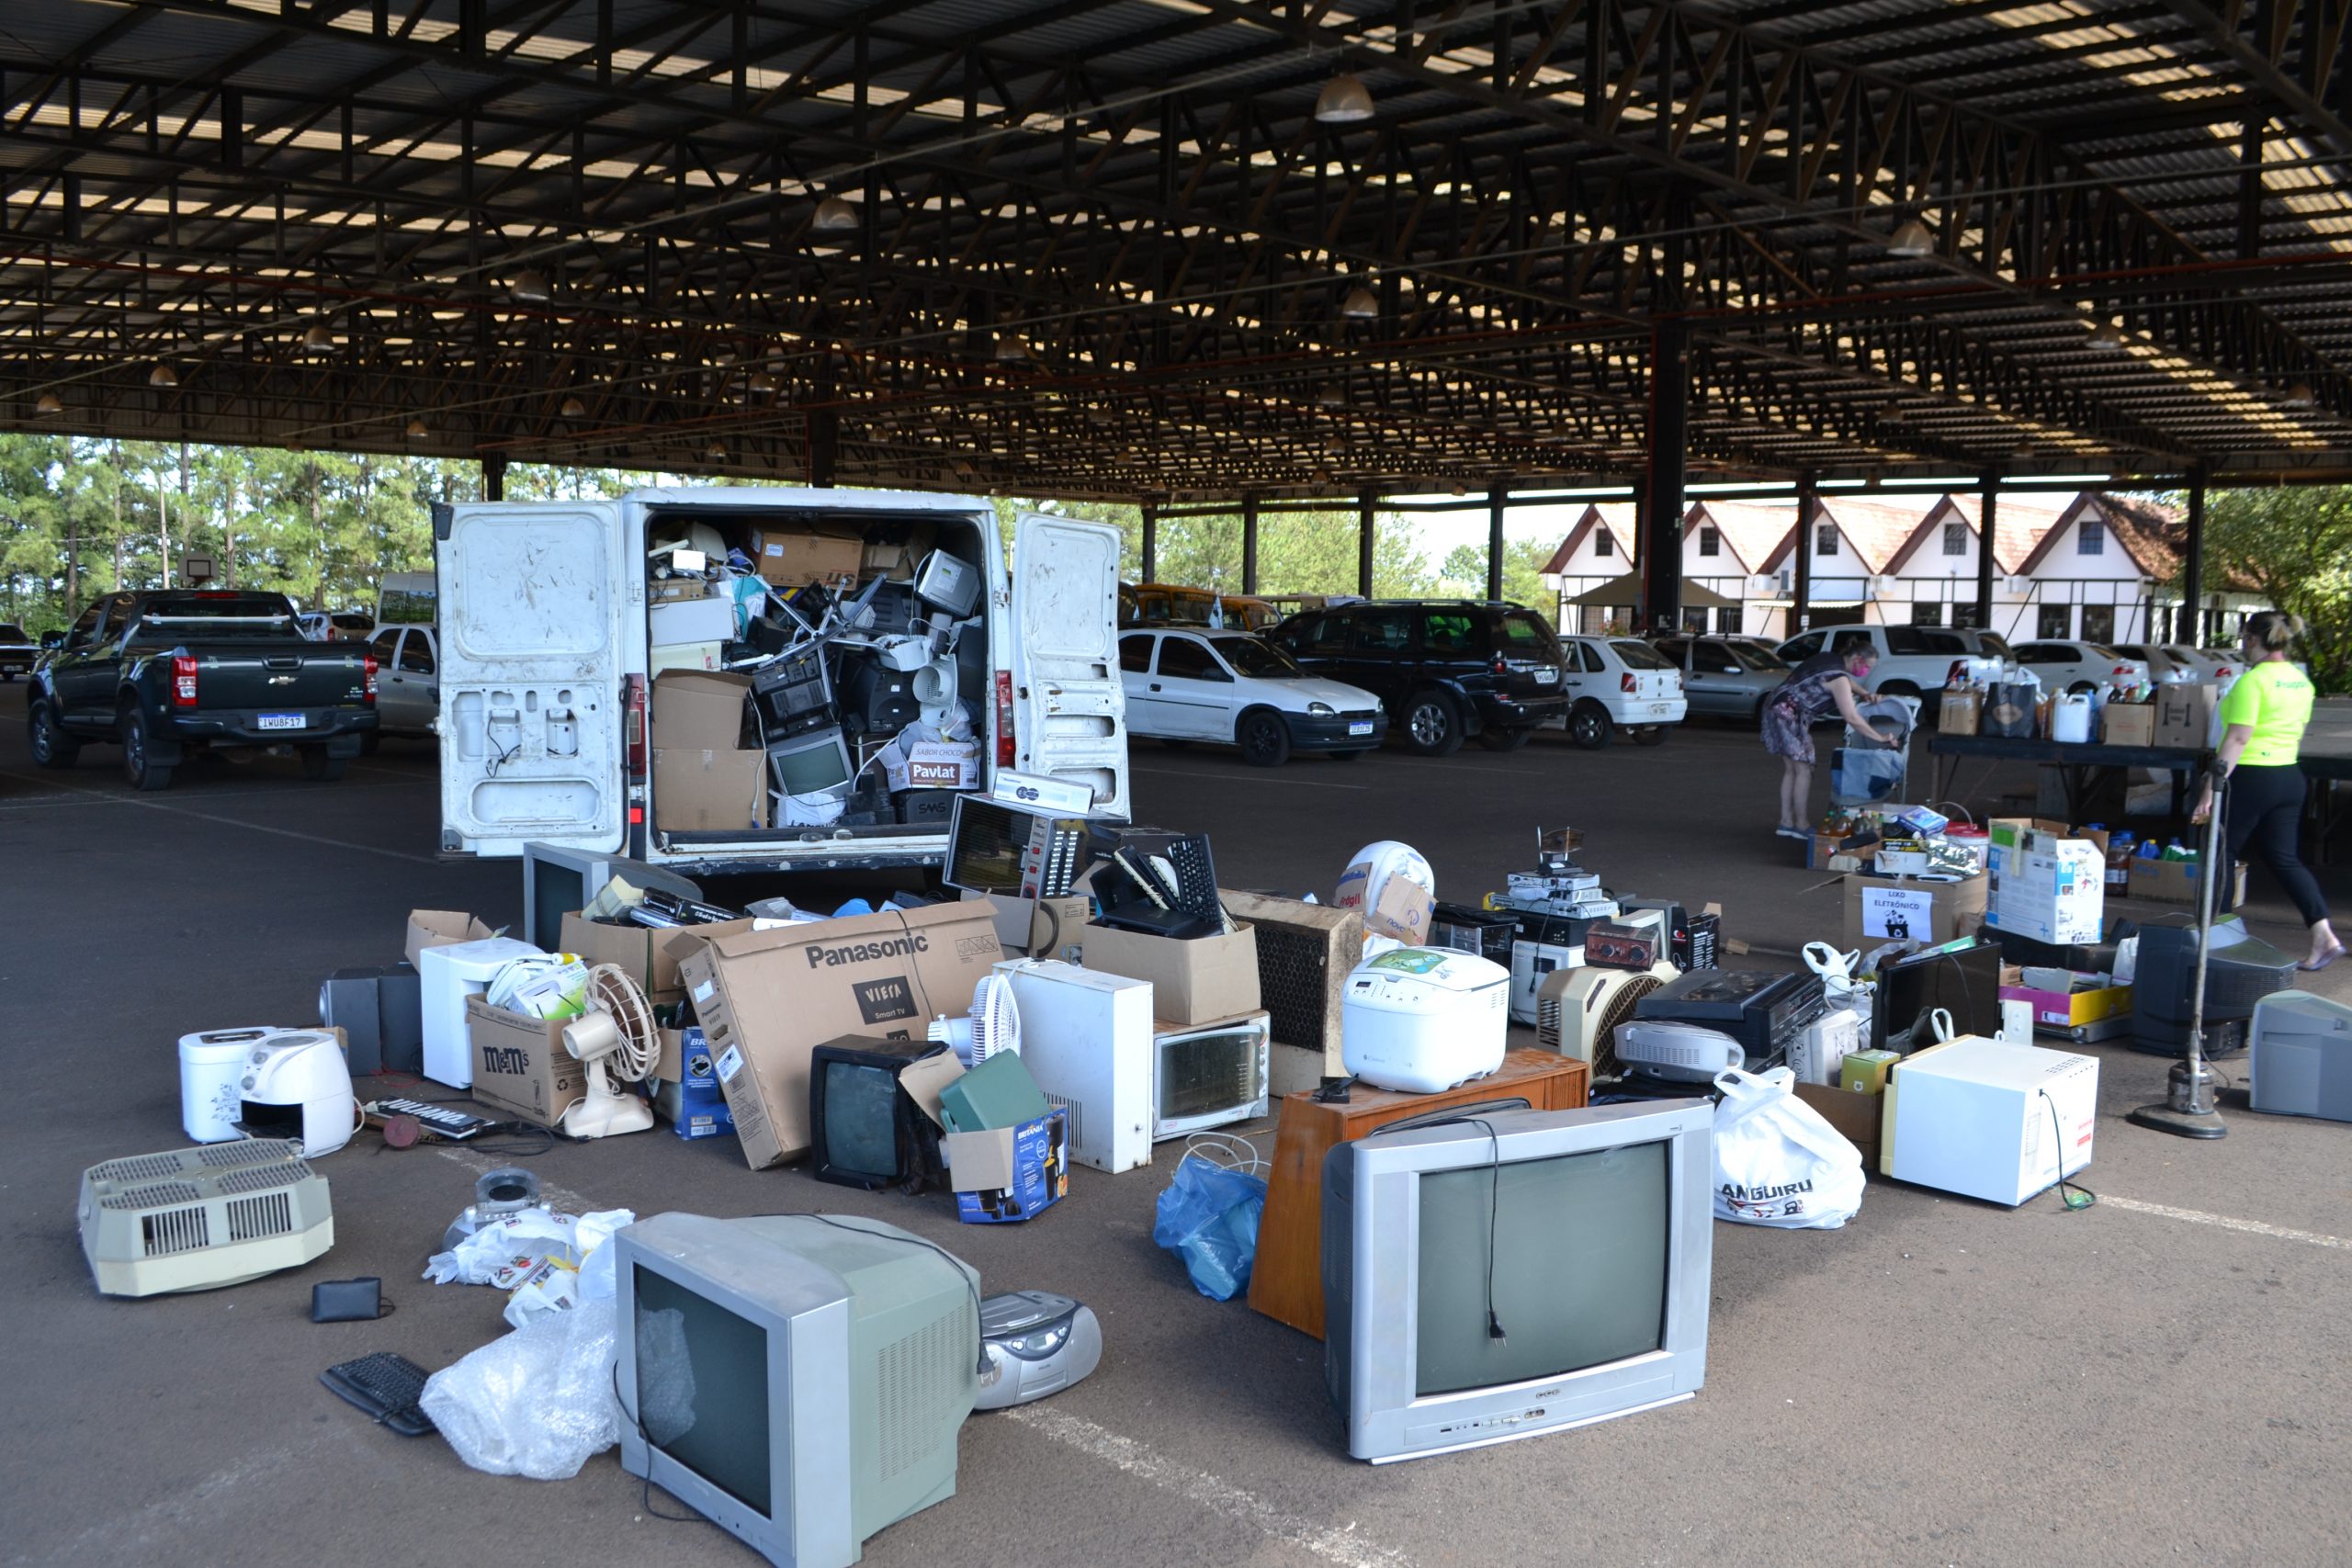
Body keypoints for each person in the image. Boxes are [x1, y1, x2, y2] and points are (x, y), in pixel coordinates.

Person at [2192, 611, 2340, 971]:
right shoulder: (2301, 682)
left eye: (2244, 638)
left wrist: (2211, 787)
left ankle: (2215, 943)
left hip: (2251, 775)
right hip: (2289, 776)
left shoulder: (2253, 681)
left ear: (2253, 639)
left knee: (2220, 853)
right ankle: (2323, 933)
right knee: (2283, 858)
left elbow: (2238, 739)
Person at [1761, 635, 1898, 840]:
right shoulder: (1839, 679)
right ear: (1858, 659)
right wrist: (1880, 737)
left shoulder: (1830, 659)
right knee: (1804, 770)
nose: (1867, 671)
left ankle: (1786, 822)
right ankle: (1801, 825)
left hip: (1776, 705)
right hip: (1790, 714)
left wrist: (1863, 693)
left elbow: (1847, 682)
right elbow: (1852, 717)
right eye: (1868, 667)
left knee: (1792, 769)